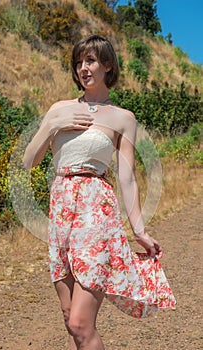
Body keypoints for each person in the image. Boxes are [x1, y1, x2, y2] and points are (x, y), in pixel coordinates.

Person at [23, 34, 176, 350]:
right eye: (78, 62)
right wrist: (54, 125)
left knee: (81, 323)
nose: (83, 68)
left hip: (97, 213)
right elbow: (28, 161)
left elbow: (128, 178)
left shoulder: (123, 118)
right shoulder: (59, 109)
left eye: (90, 61)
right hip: (61, 212)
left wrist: (140, 231)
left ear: (108, 65)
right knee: (69, 320)